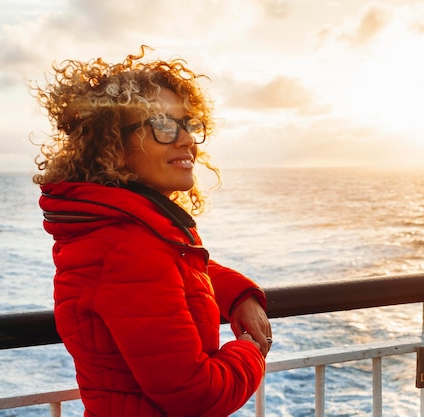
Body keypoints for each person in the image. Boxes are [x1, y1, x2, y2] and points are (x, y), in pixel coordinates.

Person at [32, 46, 272, 417]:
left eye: (189, 125)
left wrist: (239, 294)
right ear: (113, 147)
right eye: (162, 125)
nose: (187, 139)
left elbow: (177, 270)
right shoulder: (127, 248)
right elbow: (197, 396)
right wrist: (250, 349)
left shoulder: (125, 230)